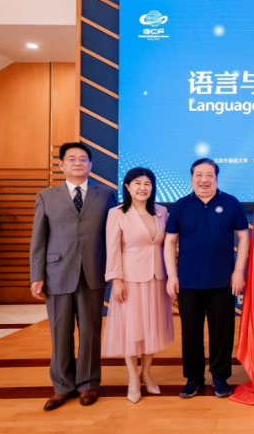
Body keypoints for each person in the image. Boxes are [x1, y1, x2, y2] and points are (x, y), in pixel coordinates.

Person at [29, 142, 117, 410]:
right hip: (57, 272)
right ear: (61, 165)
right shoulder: (46, 196)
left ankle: (88, 384)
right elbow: (38, 239)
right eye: (72, 159)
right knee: (60, 332)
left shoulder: (106, 194)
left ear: (91, 165)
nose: (78, 163)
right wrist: (36, 275)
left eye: (83, 159)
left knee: (90, 332)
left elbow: (113, 235)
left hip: (93, 271)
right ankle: (62, 387)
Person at [164, 158, 250, 398]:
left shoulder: (231, 203)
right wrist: (171, 275)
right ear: (191, 178)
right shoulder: (181, 205)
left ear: (216, 178)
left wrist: (238, 271)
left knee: (222, 331)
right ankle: (194, 378)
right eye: (198, 175)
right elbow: (170, 241)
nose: (204, 180)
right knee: (191, 332)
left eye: (209, 175)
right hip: (188, 280)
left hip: (223, 280)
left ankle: (220, 377)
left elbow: (243, 236)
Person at [102, 167, 174, 403]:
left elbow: (167, 244)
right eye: (137, 183)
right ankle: (133, 378)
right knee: (131, 330)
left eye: (147, 184)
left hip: (157, 279)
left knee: (151, 328)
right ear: (127, 187)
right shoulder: (117, 213)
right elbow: (113, 248)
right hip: (130, 280)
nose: (143, 188)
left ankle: (147, 374)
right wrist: (116, 280)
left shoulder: (161, 212)